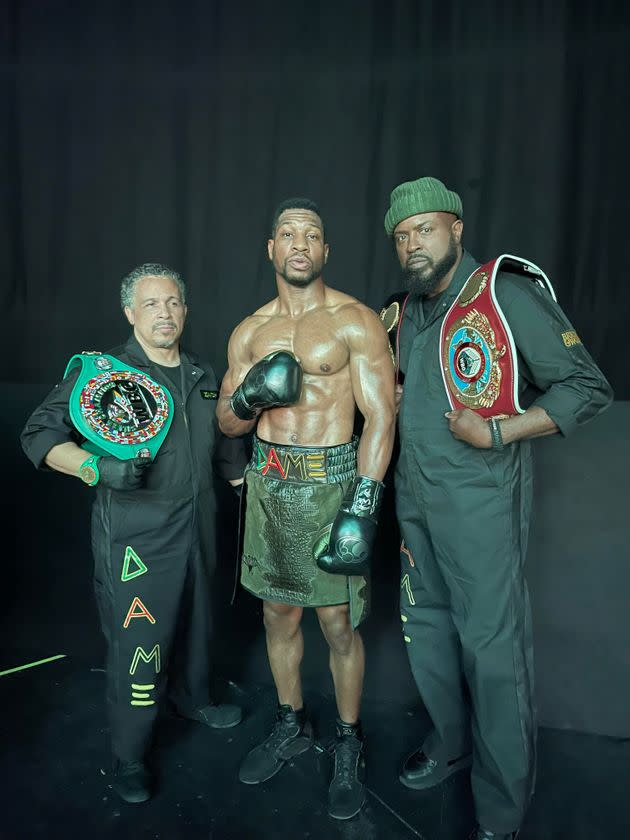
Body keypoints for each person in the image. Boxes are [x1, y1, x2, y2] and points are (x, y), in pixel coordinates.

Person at [381, 177, 613, 840]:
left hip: (480, 502)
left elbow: (585, 388)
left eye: (424, 228)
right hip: (415, 499)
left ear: (456, 228)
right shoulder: (401, 313)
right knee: (424, 629)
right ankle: (452, 743)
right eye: (401, 235)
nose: (412, 243)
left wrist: (500, 432)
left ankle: (502, 806)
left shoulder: (504, 295)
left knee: (491, 648)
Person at [21, 263, 246, 804]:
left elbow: (227, 455)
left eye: (172, 303)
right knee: (140, 645)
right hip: (138, 540)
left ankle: (192, 698)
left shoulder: (202, 373)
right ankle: (130, 753)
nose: (164, 313)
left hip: (199, 529)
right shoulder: (106, 374)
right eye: (151, 304)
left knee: (197, 622)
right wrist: (96, 468)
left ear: (185, 311)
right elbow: (38, 434)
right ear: (129, 312)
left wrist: (255, 495)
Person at [216, 198, 395, 820]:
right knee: (278, 617)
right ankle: (291, 723)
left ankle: (348, 738)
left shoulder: (355, 320)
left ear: (325, 252)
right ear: (271, 249)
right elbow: (227, 421)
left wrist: (363, 505)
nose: (300, 242)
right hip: (268, 483)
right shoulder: (248, 330)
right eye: (288, 233)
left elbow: (381, 415)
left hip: (333, 483)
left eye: (312, 235)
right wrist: (249, 394)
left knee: (337, 625)